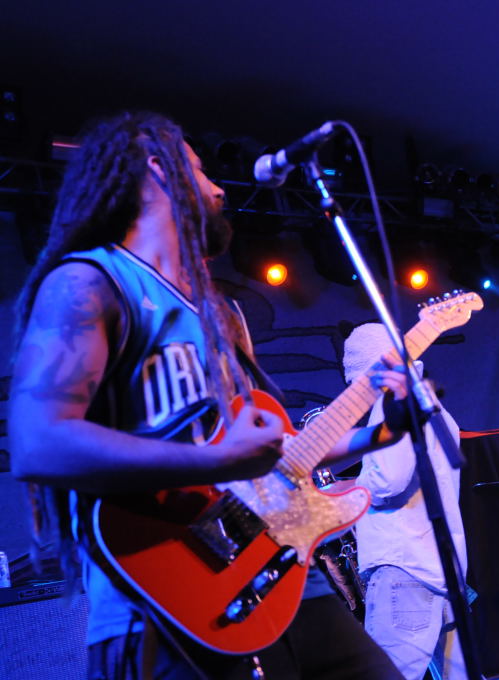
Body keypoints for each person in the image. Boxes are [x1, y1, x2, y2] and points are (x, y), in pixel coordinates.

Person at [7, 111, 410, 679]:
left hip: (284, 576)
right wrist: (216, 460)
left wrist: (381, 432)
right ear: (157, 167)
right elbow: (37, 444)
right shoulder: (89, 282)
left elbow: (275, 453)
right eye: (199, 170)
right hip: (164, 601)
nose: (219, 189)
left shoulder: (222, 315)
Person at [340, 323, 467, 680]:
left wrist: (349, 488)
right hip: (442, 571)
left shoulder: (390, 404)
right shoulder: (437, 411)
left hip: (403, 568)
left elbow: (388, 482)